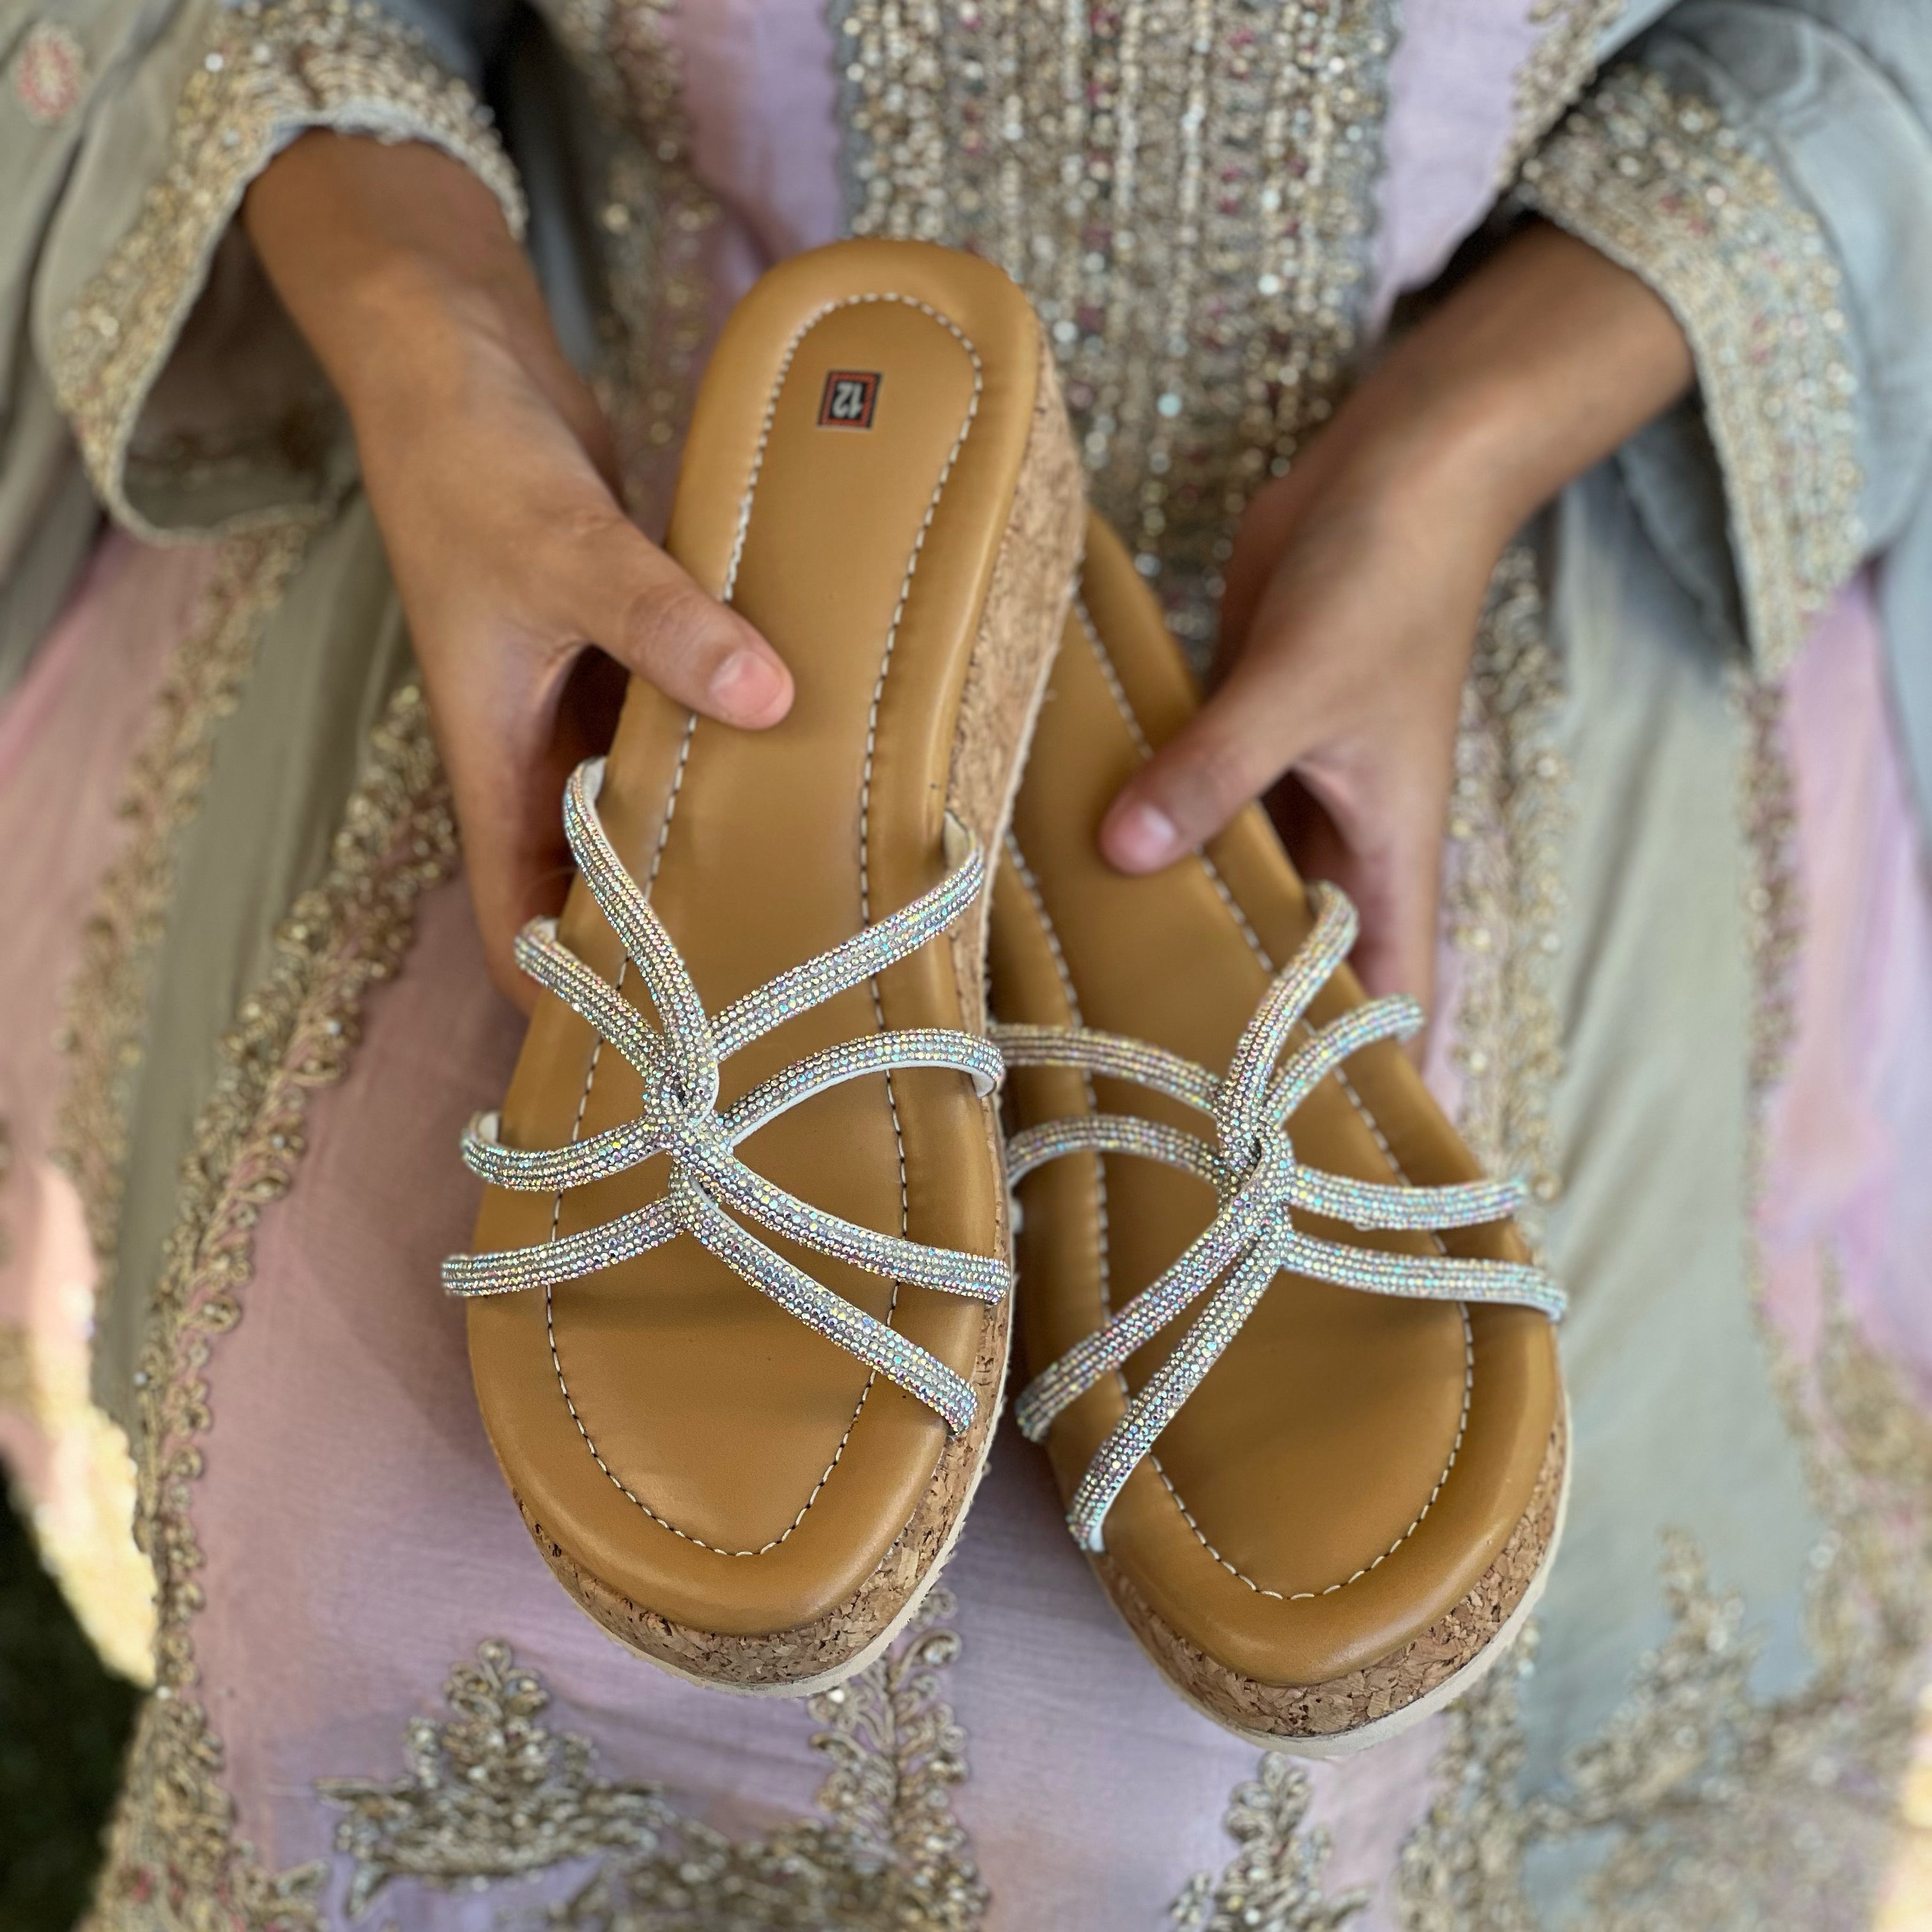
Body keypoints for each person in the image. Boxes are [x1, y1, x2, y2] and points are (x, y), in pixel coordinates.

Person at [1, 0, 1929, 1924]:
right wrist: (439, 358)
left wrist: (1455, 456)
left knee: (1226, 1776)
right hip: (642, 472)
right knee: (361, 1528)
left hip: (1453, 465)